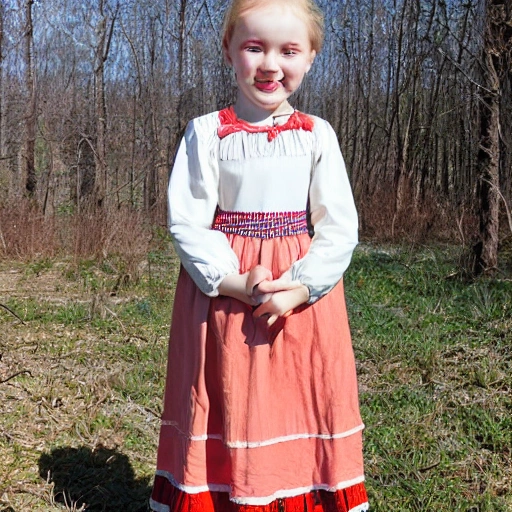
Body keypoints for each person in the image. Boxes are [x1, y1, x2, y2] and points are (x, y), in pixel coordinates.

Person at [150, 0, 369, 510]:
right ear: (229, 51)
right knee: (228, 400)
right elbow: (187, 220)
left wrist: (300, 285)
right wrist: (233, 282)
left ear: (311, 56)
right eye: (255, 47)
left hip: (302, 302)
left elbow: (338, 225)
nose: (271, 63)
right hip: (225, 302)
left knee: (297, 399)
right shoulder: (207, 133)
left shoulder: (316, 134)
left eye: (288, 50)